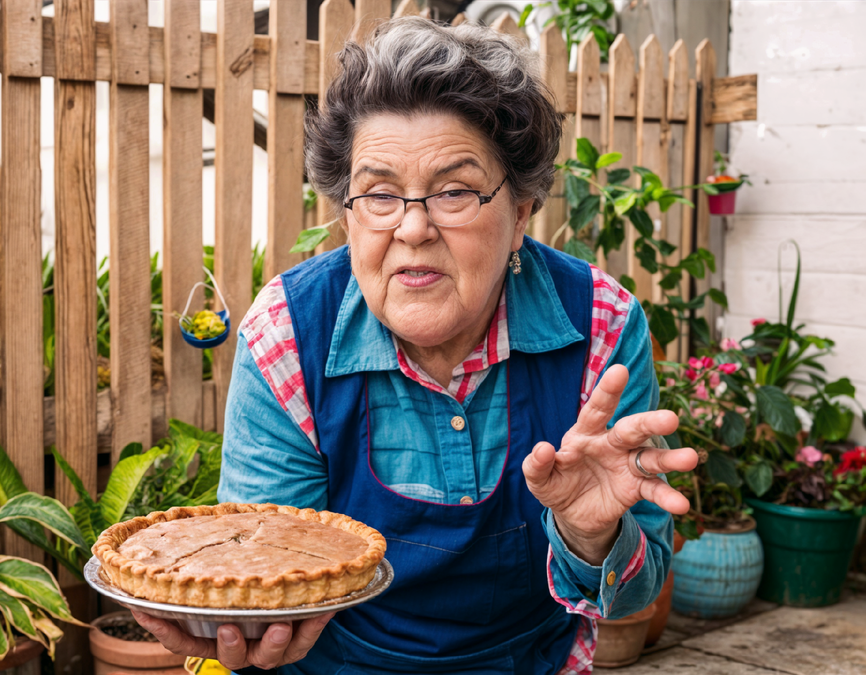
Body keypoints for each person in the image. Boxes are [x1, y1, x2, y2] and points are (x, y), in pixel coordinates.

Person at [131, 17, 698, 675]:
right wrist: (248, 623)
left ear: (519, 213)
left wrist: (589, 532)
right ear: (347, 214)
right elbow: (266, 566)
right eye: (379, 193)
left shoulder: (600, 325)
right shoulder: (286, 335)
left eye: (455, 190)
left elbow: (633, 592)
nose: (413, 226)